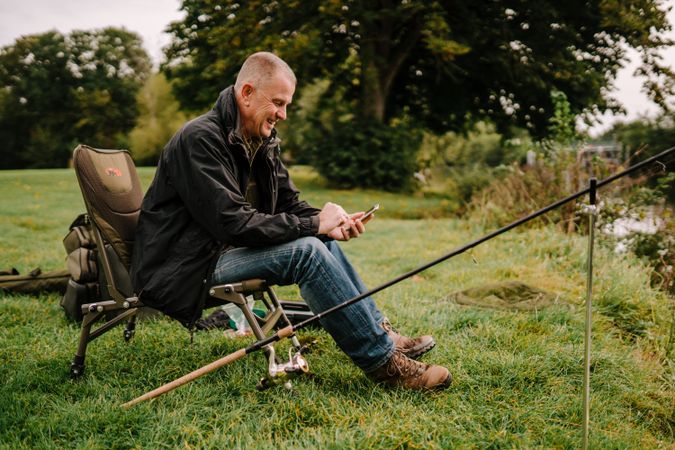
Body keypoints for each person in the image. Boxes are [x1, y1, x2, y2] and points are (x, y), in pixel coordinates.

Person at [131, 52, 451, 390]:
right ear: (247, 93)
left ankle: (381, 333)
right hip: (185, 269)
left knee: (321, 240)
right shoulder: (200, 139)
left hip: (219, 252)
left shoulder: (261, 140)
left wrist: (329, 222)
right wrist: (314, 226)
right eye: (278, 103)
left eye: (287, 104)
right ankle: (386, 365)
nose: (283, 114)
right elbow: (233, 223)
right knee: (307, 251)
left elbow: (290, 204)